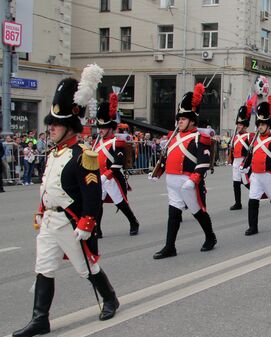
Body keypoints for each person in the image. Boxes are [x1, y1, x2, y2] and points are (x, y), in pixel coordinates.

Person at [13, 68, 120, 337]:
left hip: (71, 221)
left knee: (87, 268)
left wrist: (87, 222)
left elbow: (92, 195)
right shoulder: (54, 153)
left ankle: (110, 299)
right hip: (50, 220)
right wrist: (41, 210)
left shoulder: (84, 154)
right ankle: (40, 319)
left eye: (55, 125)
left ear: (69, 127)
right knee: (44, 268)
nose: (50, 128)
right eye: (50, 124)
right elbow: (49, 186)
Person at [152, 83, 217, 259]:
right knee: (173, 214)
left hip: (188, 182)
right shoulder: (173, 137)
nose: (179, 121)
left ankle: (210, 237)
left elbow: (204, 162)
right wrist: (158, 171)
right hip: (172, 181)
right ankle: (169, 246)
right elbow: (167, 158)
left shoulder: (199, 138)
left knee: (198, 212)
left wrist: (194, 179)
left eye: (183, 118)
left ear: (192, 120)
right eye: (179, 118)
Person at [93, 93, 141, 237]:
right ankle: (97, 229)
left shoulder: (116, 142)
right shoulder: (97, 142)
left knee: (120, 203)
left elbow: (118, 163)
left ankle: (133, 222)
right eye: (99, 127)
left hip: (112, 177)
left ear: (110, 127)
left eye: (103, 127)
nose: (100, 130)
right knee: (97, 204)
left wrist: (106, 176)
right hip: (99, 176)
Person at [240, 98, 271, 235]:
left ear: (268, 125)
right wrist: (245, 165)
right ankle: (253, 227)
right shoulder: (254, 139)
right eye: (259, 124)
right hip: (255, 175)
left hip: (268, 175)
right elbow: (251, 155)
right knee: (252, 201)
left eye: (263, 124)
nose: (260, 126)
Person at [228, 104, 252, 210]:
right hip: (236, 161)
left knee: (246, 181)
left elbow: (251, 151)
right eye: (238, 124)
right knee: (236, 182)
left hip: (244, 160)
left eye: (241, 125)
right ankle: (238, 203)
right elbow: (233, 149)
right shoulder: (235, 136)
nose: (238, 126)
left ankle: (257, 193)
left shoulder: (249, 136)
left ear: (245, 126)